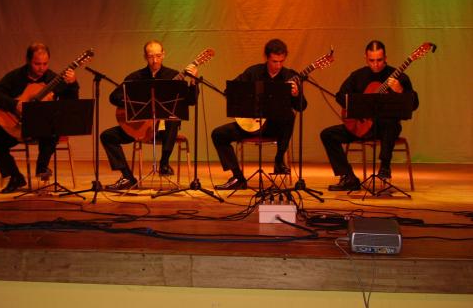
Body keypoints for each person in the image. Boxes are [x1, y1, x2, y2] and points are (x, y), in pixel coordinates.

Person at [320, 40, 419, 191]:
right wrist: (356, 110)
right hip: (361, 126)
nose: (376, 64)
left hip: (383, 130)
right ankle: (348, 177)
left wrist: (400, 91)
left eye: (379, 60)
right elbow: (341, 96)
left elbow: (413, 104)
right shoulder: (357, 76)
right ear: (366, 59)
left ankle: (385, 167)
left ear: (385, 58)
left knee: (390, 123)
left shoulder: (399, 77)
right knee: (327, 135)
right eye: (371, 60)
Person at [100, 40, 198, 191]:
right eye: (151, 56)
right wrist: (135, 102)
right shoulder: (135, 77)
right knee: (107, 136)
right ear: (145, 57)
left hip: (164, 131)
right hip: (141, 128)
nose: (155, 60)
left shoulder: (173, 75)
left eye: (158, 56)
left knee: (173, 119)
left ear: (163, 55)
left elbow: (191, 101)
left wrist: (193, 81)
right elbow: (114, 97)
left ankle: (164, 163)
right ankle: (128, 177)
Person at [0, 42, 79, 193]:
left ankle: (42, 167)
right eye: (37, 64)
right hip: (18, 125)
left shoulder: (53, 79)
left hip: (43, 129)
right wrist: (14, 104)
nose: (41, 68)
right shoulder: (16, 76)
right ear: (28, 60)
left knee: (53, 130)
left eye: (45, 64)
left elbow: (71, 103)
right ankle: (15, 177)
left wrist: (72, 84)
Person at [211, 38, 306, 190]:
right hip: (251, 124)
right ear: (266, 57)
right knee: (218, 134)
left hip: (275, 128)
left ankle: (279, 159)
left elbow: (302, 107)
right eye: (274, 61)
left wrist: (296, 94)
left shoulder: (290, 76)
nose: (278, 65)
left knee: (290, 115)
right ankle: (238, 177)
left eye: (281, 61)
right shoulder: (253, 72)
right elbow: (230, 91)